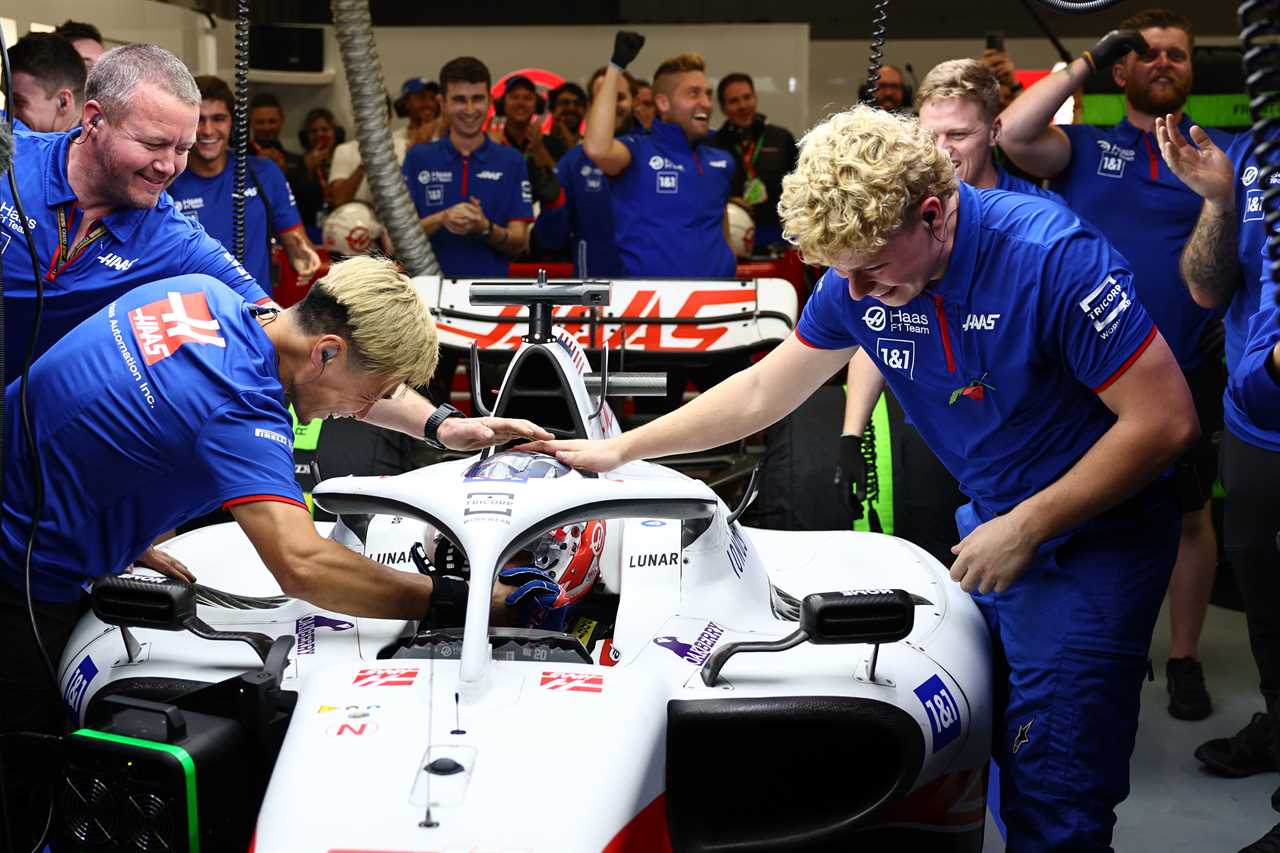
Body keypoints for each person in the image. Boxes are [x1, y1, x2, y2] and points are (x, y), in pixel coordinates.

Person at [523, 105, 1198, 851]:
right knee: (989, 751)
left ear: (933, 214)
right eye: (841, 272)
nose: (859, 291)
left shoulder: (1050, 257)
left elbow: (1165, 423)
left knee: (1057, 779)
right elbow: (760, 392)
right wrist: (622, 452)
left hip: (1092, 540)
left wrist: (1030, 523)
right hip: (994, 521)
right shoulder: (860, 277)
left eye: (872, 268)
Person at [0, 256, 552, 850]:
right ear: (327, 352)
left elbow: (128, 420)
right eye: (372, 392)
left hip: (28, 490)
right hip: (20, 578)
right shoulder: (240, 404)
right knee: (24, 802)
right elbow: (303, 566)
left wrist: (442, 428)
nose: (364, 410)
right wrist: (463, 601)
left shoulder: (207, 296)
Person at [998, 8, 1234, 720]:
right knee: (1079, 509)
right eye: (1148, 54)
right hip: (1084, 374)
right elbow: (1010, 134)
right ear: (1124, 70)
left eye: (1178, 55)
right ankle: (1088, 649)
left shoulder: (1220, 152)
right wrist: (1090, 59)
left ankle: (1185, 654)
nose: (1164, 63)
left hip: (1186, 366)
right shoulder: (1084, 144)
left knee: (1190, 516)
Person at [1156, 116, 1280, 852]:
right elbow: (1207, 291)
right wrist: (1220, 202)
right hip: (1255, 420)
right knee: (1267, 606)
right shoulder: (1250, 148)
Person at [0, 43, 269, 378]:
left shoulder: (172, 237)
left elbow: (271, 320)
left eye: (183, 148)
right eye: (153, 144)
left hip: (37, 420)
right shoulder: (11, 162)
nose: (168, 166)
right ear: (94, 119)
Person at [585, 32, 736, 278]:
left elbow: (724, 235)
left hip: (716, 307)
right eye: (693, 93)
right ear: (663, 104)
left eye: (708, 94)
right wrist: (615, 67)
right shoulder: (637, 150)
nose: (706, 103)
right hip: (650, 307)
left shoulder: (721, 162)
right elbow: (597, 148)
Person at [169, 75, 321, 296]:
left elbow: (297, 243)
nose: (208, 130)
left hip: (256, 315)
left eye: (218, 118)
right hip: (193, 317)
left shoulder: (264, 172)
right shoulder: (167, 180)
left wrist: (305, 257)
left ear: (234, 123)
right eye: (199, 120)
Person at [401, 56, 532, 277]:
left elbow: (519, 242)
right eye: (460, 99)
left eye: (477, 99)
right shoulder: (418, 158)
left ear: (490, 101)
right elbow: (396, 241)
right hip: (426, 298)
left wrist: (485, 228)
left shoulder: (511, 161)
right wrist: (441, 218)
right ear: (443, 104)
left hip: (489, 301)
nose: (470, 109)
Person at [532, 66, 635, 277]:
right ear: (591, 107)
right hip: (594, 291)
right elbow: (550, 241)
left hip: (654, 290)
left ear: (634, 102)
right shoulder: (574, 162)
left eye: (621, 97)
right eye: (605, 98)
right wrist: (554, 206)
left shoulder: (656, 156)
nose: (613, 105)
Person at [917, 58, 1062, 201]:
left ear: (994, 133)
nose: (941, 150)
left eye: (957, 135)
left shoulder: (1041, 215)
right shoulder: (904, 208)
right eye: (930, 137)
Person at [715, 71, 798, 252]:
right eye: (734, 101)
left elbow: (801, 187)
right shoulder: (712, 145)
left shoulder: (781, 138)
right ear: (722, 108)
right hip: (730, 236)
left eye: (747, 97)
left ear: (755, 98)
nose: (743, 105)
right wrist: (726, 200)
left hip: (778, 237)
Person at [492, 74, 561, 208]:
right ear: (502, 104)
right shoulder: (492, 145)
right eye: (514, 97)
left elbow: (564, 185)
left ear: (538, 105)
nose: (521, 103)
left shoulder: (554, 144)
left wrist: (540, 150)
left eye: (527, 98)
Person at [7, 32, 86, 133]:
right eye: (6, 99)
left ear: (63, 102)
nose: (7, 112)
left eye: (18, 101)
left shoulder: (97, 147)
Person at [544, 81, 587, 162]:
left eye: (577, 104)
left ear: (584, 111)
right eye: (565, 103)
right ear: (552, 110)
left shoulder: (591, 148)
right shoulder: (539, 144)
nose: (571, 108)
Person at [396, 76, 443, 146]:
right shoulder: (393, 140)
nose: (429, 104)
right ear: (406, 103)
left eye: (433, 98)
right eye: (422, 97)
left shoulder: (449, 136)